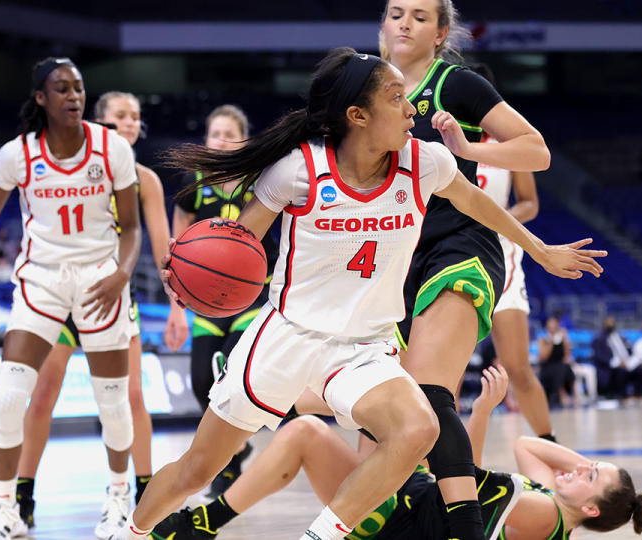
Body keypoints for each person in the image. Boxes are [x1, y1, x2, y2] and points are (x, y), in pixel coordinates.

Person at [110, 47, 604, 540]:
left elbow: (478, 204)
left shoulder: (424, 162)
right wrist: (196, 270)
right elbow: (239, 242)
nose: (412, 108)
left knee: (419, 427)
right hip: (288, 336)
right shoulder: (298, 170)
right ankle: (129, 533)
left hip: (364, 345)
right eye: (396, 98)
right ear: (358, 115)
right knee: (197, 469)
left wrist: (540, 251)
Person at [379, 2, 573, 535]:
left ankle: (469, 519)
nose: (404, 23)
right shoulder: (365, 86)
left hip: (460, 242)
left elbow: (537, 152)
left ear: (441, 33)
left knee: (430, 393)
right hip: (394, 257)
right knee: (384, 414)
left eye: (419, 16)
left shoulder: (455, 84)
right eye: (396, 12)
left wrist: (468, 146)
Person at [0, 57, 143, 540]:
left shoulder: (111, 148)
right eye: (62, 88)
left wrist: (122, 273)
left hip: (100, 278)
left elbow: (130, 227)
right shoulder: (16, 155)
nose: (74, 96)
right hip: (42, 280)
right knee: (9, 398)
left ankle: (118, 500)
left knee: (112, 403)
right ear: (41, 99)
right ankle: (4, 510)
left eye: (78, 87)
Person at [152, 367, 642, 540]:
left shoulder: (542, 515)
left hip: (396, 516)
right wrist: (591, 472)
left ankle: (258, 400)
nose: (578, 466)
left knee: (325, 424)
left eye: (589, 476)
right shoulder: (549, 500)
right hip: (407, 492)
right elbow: (527, 445)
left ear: (592, 510)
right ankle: (208, 514)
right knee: (334, 418)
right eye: (587, 464)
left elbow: (464, 477)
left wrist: (484, 409)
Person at [14, 90, 189, 530]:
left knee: (131, 398)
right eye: (120, 115)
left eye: (135, 116)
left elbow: (163, 249)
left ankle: (146, 494)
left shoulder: (144, 179)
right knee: (43, 395)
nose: (130, 122)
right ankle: (22, 496)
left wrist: (176, 309)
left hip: (112, 300)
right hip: (61, 299)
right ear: (99, 121)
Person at [171, 104, 279, 495]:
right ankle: (236, 451)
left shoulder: (262, 179)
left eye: (227, 133)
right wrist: (175, 306)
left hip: (252, 295)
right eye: (213, 133)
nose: (219, 140)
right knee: (201, 380)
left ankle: (225, 460)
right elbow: (178, 243)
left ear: (243, 139)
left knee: (228, 374)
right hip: (206, 301)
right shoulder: (194, 180)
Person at [468, 62, 552, 439]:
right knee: (443, 374)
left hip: (500, 253)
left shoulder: (510, 142)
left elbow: (530, 203)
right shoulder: (443, 140)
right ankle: (437, 467)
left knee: (517, 365)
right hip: (451, 252)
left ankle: (550, 445)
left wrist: (497, 217)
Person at [537, 316, 575, 407]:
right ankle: (563, 395)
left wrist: (565, 339)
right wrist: (551, 342)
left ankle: (575, 395)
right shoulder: (544, 340)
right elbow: (544, 357)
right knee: (560, 369)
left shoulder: (561, 339)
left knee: (566, 368)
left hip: (560, 365)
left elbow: (567, 354)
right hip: (548, 366)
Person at [591, 316, 630, 398]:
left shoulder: (617, 336)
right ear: (604, 323)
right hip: (608, 365)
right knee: (621, 371)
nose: (611, 325)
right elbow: (600, 356)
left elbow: (626, 349)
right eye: (609, 322)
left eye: (613, 322)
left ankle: (640, 394)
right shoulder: (599, 338)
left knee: (640, 370)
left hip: (624, 362)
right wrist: (617, 363)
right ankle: (620, 395)